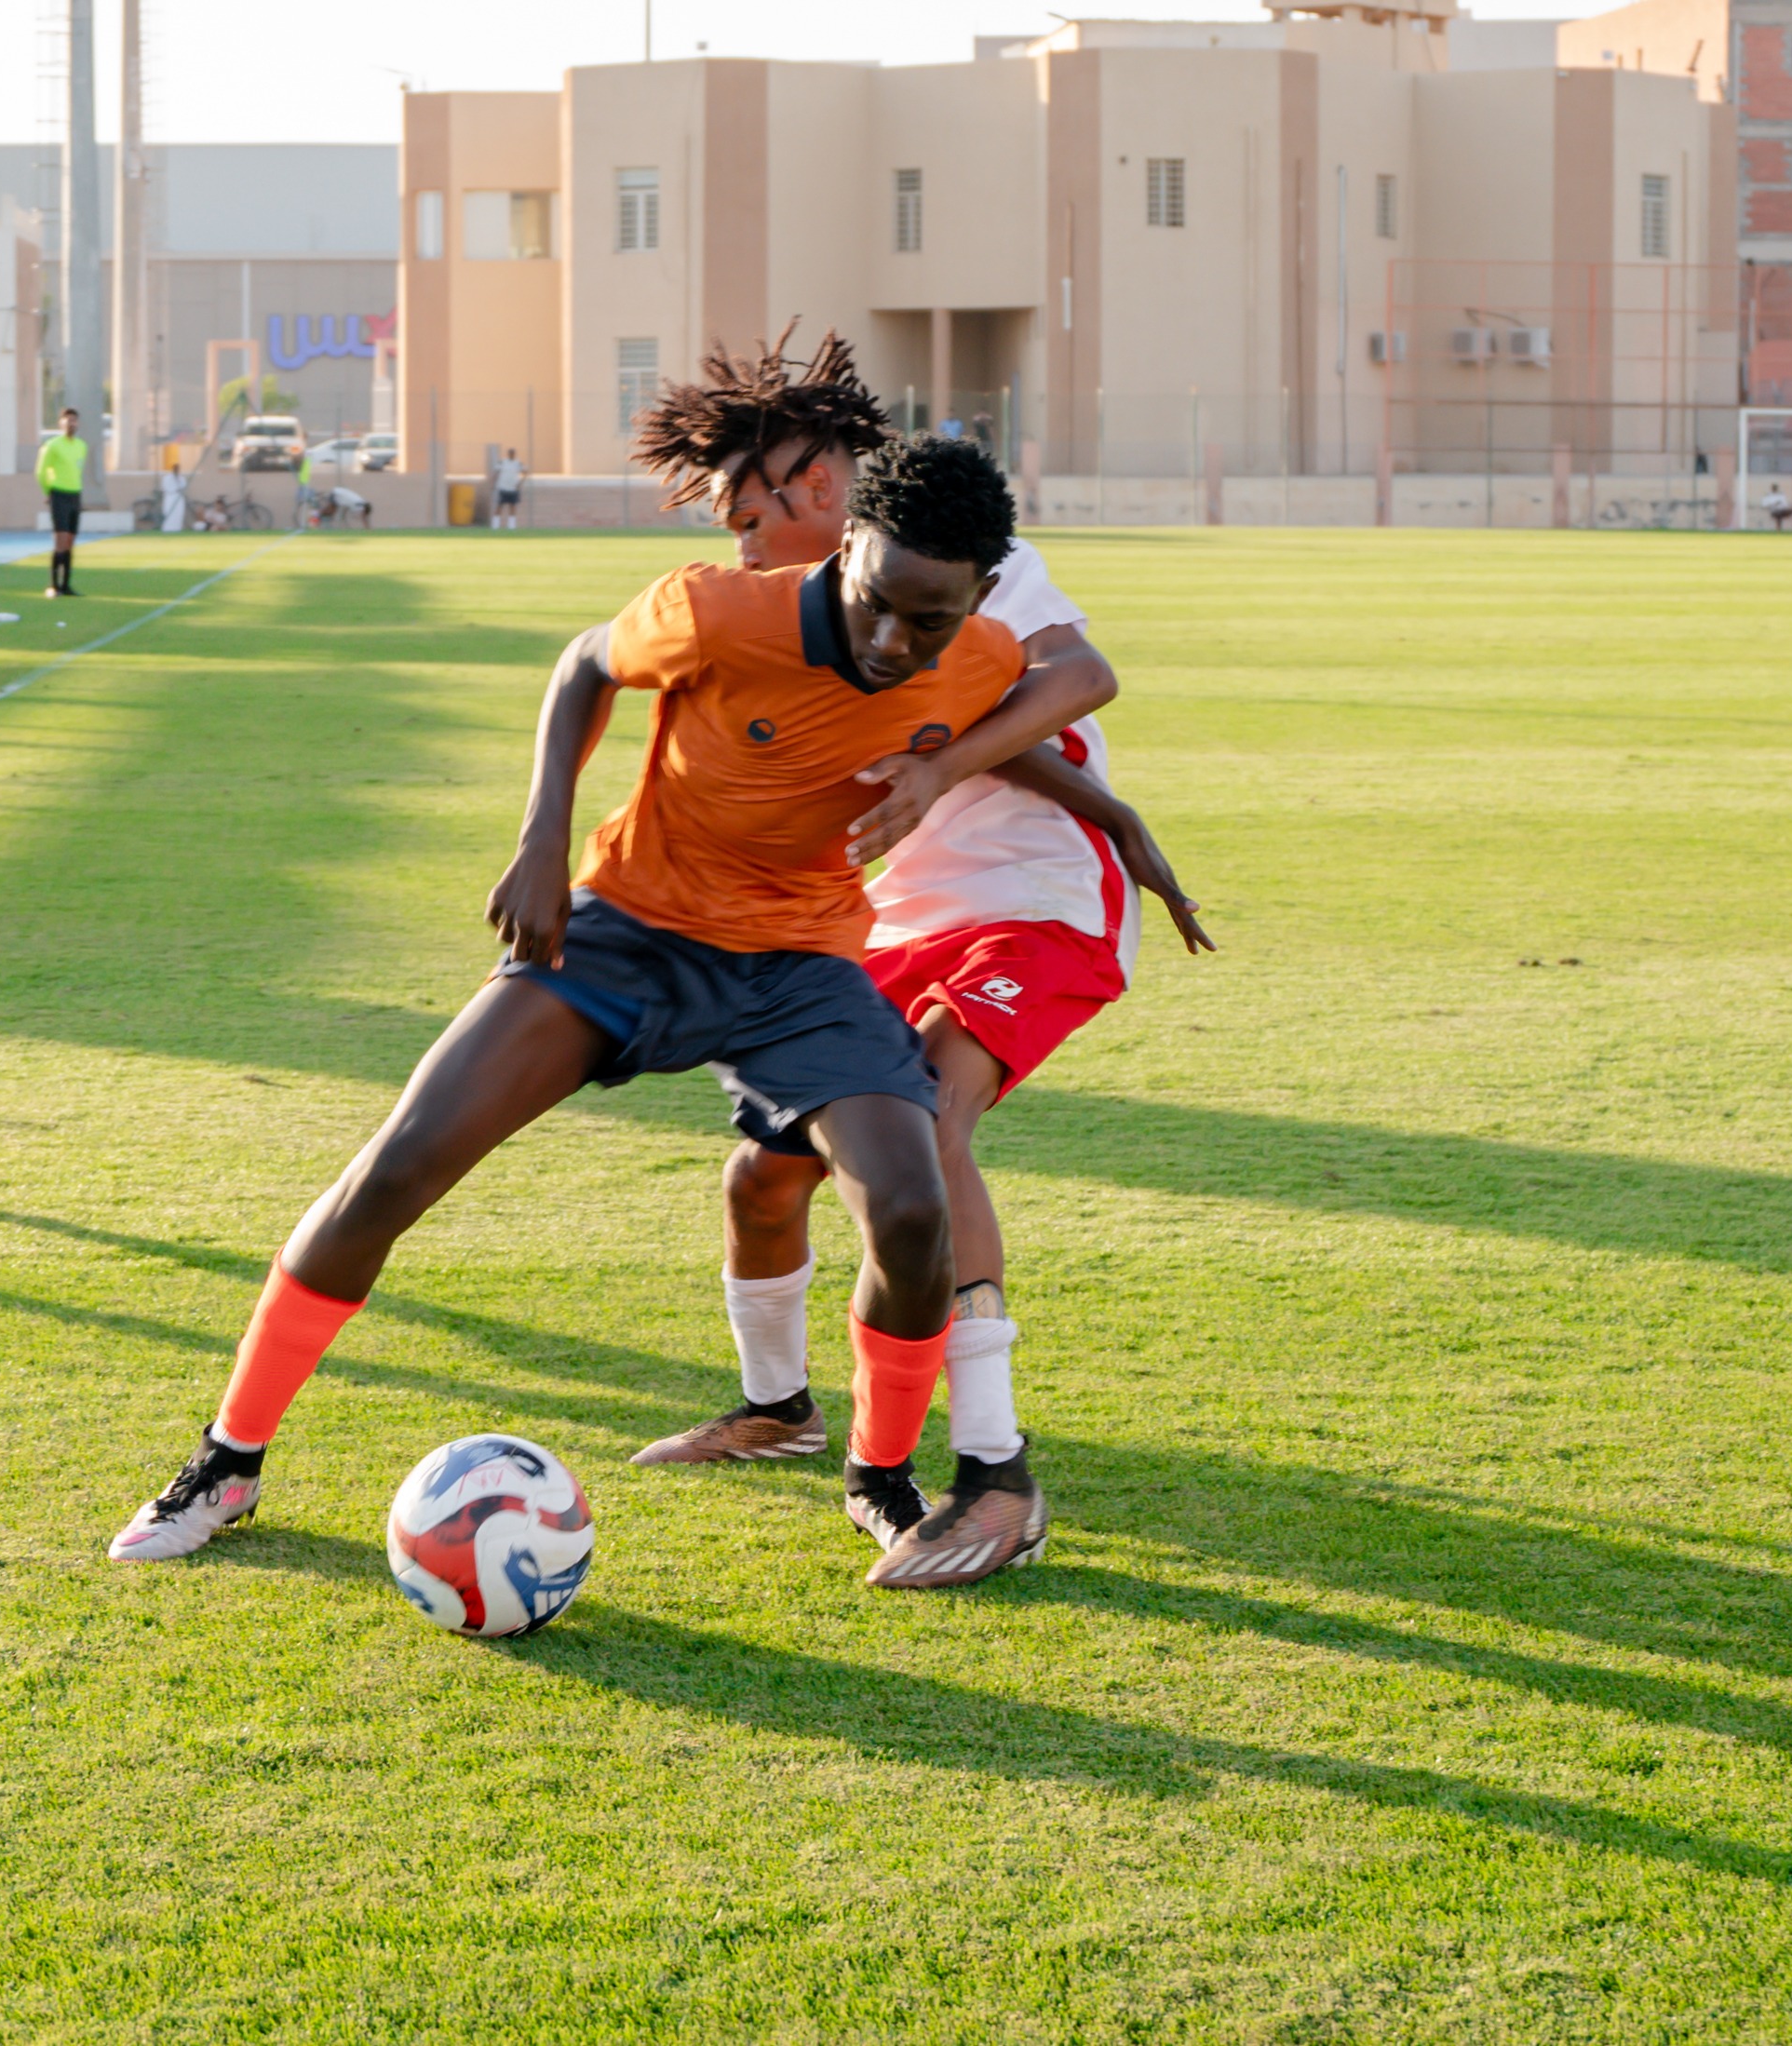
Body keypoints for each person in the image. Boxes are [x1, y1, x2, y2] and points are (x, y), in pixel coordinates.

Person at [104, 435, 1114, 1584]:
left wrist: (1102, 817)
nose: (895, 642)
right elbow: (585, 663)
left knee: (911, 1205)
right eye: (877, 601)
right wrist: (540, 839)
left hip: (801, 964)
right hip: (629, 931)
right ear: (846, 547)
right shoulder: (718, 613)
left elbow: (1041, 706)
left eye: (927, 621)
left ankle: (879, 1477)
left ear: (979, 597)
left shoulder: (971, 651)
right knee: (396, 1167)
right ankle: (227, 1463)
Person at [620, 330, 1210, 1588]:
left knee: (931, 1121)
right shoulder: (801, 616)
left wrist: (993, 785)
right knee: (760, 1178)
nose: (738, 547)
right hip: (891, 918)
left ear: (812, 489)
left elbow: (1079, 675)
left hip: (1032, 902)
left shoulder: (944, 543)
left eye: (746, 514)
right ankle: (778, 1408)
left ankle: (997, 1473)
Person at [37, 407, 88, 598]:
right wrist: (48, 491)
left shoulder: (82, 446)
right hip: (59, 495)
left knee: (70, 541)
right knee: (60, 540)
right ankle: (53, 585)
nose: (71, 423)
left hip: (75, 495)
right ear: (61, 423)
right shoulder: (52, 445)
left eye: (74, 420)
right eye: (67, 420)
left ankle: (66, 585)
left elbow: (77, 471)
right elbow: (41, 472)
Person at [493, 446, 524, 531]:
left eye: (513, 453)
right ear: (508, 454)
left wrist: (520, 483)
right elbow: (496, 472)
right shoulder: (502, 462)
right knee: (499, 506)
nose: (511, 455)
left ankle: (511, 526)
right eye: (510, 453)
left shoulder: (518, 463)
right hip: (503, 487)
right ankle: (495, 526)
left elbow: (524, 473)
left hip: (513, 488)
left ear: (515, 454)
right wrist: (493, 482)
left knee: (512, 506)